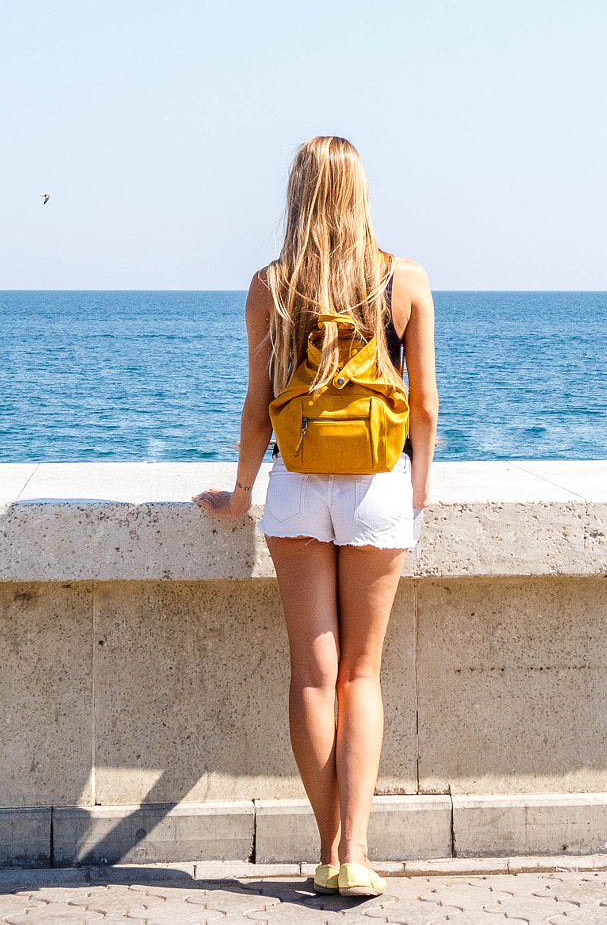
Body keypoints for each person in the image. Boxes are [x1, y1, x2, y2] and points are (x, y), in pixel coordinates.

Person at [193, 135, 437, 899]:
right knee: (361, 674)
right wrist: (418, 482)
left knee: (312, 673)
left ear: (298, 194)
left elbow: (257, 411)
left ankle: (327, 843)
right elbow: (425, 405)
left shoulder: (272, 285)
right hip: (374, 485)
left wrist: (239, 495)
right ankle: (355, 850)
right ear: (361, 191)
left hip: (298, 488)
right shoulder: (405, 280)